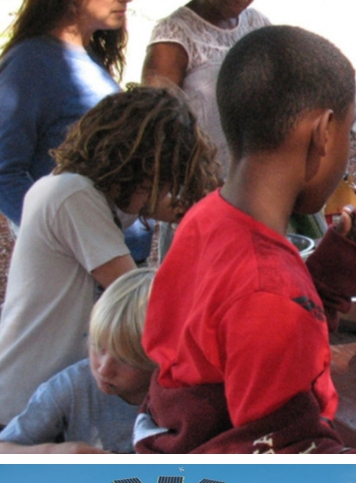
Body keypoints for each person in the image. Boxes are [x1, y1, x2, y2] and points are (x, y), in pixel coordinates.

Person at [136, 26, 356, 454]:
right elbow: (283, 462)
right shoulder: (269, 294)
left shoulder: (205, 219)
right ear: (323, 132)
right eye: (349, 132)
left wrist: (332, 272)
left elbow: (226, 339)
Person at [0, 87, 217, 427]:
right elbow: (141, 305)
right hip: (26, 402)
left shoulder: (81, 192)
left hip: (56, 394)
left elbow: (186, 208)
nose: (164, 194)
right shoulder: (73, 196)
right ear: (139, 170)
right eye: (160, 181)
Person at [0, 0, 152, 261]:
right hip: (87, 269)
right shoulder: (29, 64)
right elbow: (5, 173)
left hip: (120, 257)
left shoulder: (85, 53)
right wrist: (71, 237)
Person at [0, 268, 154, 453]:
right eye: (98, 347)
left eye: (124, 359)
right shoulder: (70, 388)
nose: (104, 369)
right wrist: (54, 452)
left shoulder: (183, 396)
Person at [141, 0, 269, 176]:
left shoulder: (257, 23)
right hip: (199, 178)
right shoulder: (175, 36)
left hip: (248, 176)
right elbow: (156, 124)